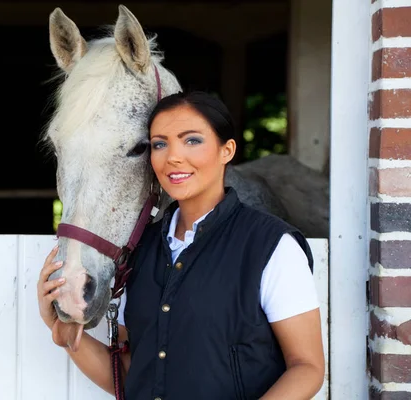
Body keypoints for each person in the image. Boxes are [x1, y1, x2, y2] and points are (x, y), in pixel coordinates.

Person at [37, 91, 324, 399]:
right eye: (160, 143)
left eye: (192, 140)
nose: (172, 156)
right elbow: (132, 374)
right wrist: (68, 337)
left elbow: (307, 368)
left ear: (226, 150)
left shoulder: (272, 245)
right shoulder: (141, 251)